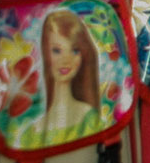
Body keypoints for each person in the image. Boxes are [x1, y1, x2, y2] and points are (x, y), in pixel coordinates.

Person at [39, 8, 103, 142]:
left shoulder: (88, 117)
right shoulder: (32, 130)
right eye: (57, 50)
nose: (66, 60)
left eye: (74, 51)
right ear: (45, 53)